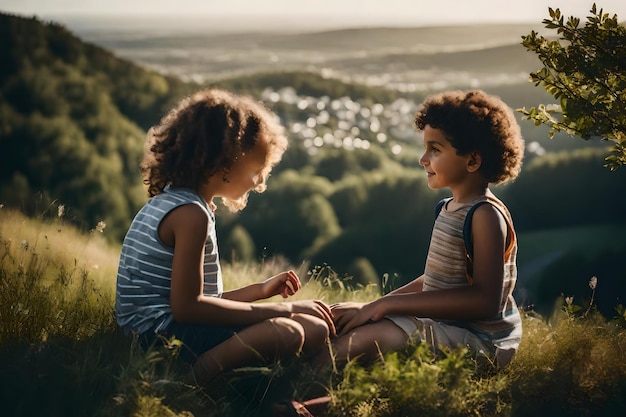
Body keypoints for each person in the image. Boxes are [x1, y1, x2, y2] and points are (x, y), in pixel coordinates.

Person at [275, 89, 524, 416]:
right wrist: (371, 306)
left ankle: (289, 396)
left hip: (481, 342)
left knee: (365, 339)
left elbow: (484, 300)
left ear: (473, 160)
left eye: (435, 150)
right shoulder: (449, 208)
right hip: (449, 326)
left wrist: (387, 306)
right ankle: (319, 399)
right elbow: (436, 280)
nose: (423, 160)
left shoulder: (485, 216)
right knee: (349, 320)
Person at [115, 88, 335, 386]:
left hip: (162, 330)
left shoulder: (178, 203)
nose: (260, 183)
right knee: (291, 331)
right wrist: (285, 309)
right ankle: (189, 382)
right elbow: (188, 309)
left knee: (315, 329)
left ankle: (224, 375)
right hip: (157, 340)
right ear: (224, 163)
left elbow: (200, 302)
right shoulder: (191, 215)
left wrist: (260, 290)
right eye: (257, 170)